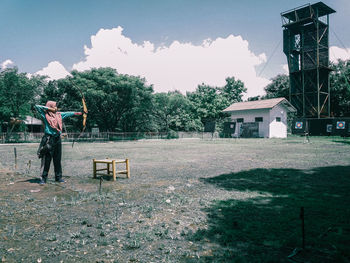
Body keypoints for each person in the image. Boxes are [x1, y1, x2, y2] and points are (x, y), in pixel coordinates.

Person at [35, 101, 82, 185]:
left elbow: (69, 113)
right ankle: (43, 178)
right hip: (49, 139)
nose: (56, 108)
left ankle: (58, 177)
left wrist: (79, 113)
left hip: (57, 138)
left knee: (57, 159)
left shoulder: (59, 115)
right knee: (47, 160)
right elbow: (37, 106)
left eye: (56, 106)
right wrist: (50, 109)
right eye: (54, 106)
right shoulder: (45, 114)